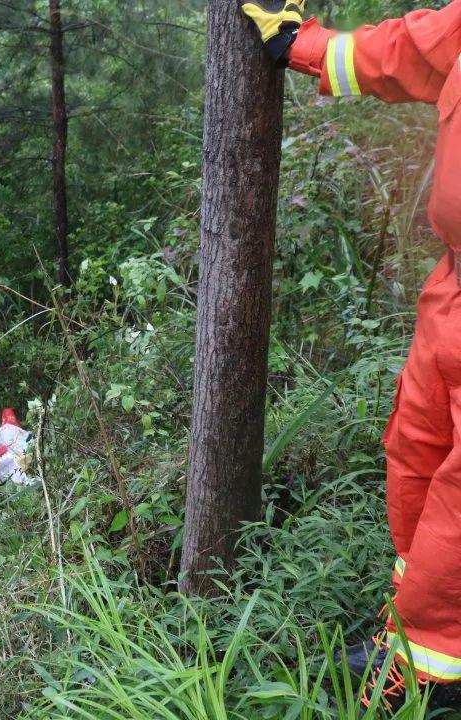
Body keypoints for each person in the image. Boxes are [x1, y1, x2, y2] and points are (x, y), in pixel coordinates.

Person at [241, 0, 461, 709]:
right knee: (415, 452)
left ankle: (431, 674)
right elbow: (402, 51)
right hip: (453, 289)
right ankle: (415, 630)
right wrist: (298, 44)